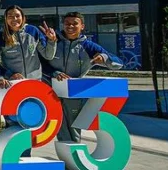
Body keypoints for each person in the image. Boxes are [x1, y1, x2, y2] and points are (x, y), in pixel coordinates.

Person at [44, 11, 123, 142]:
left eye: (75, 24)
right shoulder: (53, 42)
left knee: (74, 127)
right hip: (50, 91)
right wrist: (55, 73)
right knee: (57, 125)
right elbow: (41, 63)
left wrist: (103, 58)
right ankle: (67, 156)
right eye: (67, 23)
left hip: (74, 93)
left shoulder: (88, 46)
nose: (70, 26)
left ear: (82, 26)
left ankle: (74, 157)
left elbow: (118, 63)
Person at [0, 5, 58, 81]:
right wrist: (8, 74)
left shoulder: (33, 31)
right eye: (10, 16)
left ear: (22, 17)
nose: (14, 19)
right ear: (6, 19)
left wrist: (51, 41)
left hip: (34, 81)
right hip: (13, 82)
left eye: (17, 16)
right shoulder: (0, 37)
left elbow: (48, 56)